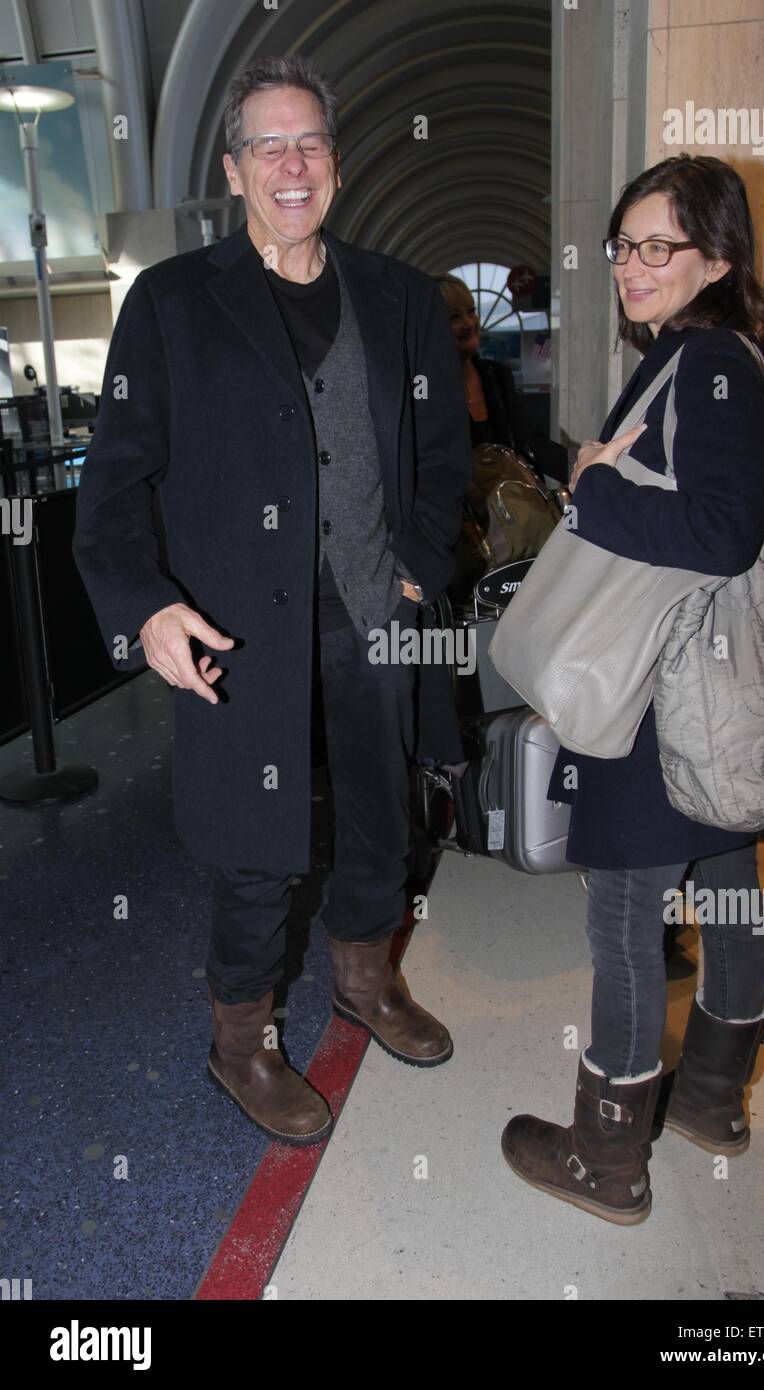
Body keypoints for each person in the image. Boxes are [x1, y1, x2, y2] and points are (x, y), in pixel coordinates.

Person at [72, 54, 470, 1146]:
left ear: (333, 162)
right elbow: (110, 493)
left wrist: (416, 565)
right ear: (233, 169)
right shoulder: (169, 306)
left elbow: (443, 457)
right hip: (236, 630)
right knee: (256, 845)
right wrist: (145, 606)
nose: (291, 165)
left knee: (382, 820)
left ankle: (362, 978)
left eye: (309, 144)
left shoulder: (397, 299)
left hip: (369, 621)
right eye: (268, 146)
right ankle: (240, 1039)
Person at [500, 154, 764, 1224]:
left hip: (665, 688)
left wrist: (591, 492)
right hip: (721, 695)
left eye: (658, 247)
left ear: (716, 259)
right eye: (623, 245)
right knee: (728, 882)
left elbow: (719, 533)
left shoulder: (708, 364)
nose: (632, 267)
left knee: (626, 914)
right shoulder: (722, 357)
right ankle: (714, 1099)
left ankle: (606, 1157)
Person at [436, 274, 568, 479]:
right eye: (455, 316)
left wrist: (584, 471)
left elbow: (529, 440)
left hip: (509, 504)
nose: (469, 323)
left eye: (471, 312)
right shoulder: (424, 390)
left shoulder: (497, 375)